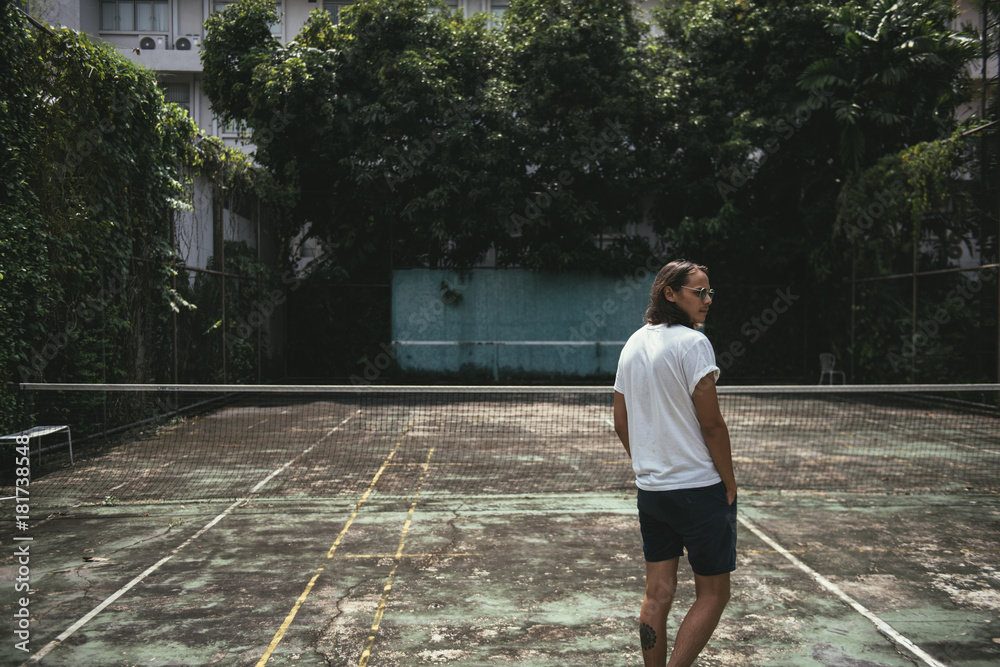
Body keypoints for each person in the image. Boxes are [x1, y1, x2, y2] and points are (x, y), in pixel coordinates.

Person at [613, 259, 737, 667]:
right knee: (714, 594)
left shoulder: (632, 343)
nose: (707, 300)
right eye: (698, 292)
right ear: (671, 293)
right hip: (699, 491)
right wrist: (730, 483)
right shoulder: (693, 343)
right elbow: (712, 425)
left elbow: (620, 418)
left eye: (710, 292)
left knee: (657, 593)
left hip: (652, 493)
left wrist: (648, 465)